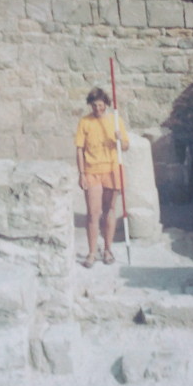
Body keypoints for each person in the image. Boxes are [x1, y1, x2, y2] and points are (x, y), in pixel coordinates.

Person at [75, 87, 129, 268]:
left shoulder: (116, 120)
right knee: (92, 213)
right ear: (90, 105)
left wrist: (121, 139)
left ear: (106, 103)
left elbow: (126, 146)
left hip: (112, 170)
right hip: (92, 172)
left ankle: (107, 249)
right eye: (94, 105)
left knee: (110, 211)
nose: (98, 108)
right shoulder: (84, 122)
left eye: (100, 105)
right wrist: (81, 174)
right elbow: (79, 149)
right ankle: (91, 252)